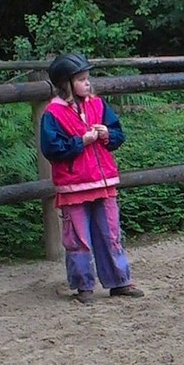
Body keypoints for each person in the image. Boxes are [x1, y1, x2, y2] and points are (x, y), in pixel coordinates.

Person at [40, 53, 144, 304]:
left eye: (88, 78)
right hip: (74, 185)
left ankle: (120, 281)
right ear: (66, 83)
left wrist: (107, 133)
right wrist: (81, 142)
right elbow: (51, 148)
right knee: (78, 239)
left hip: (104, 182)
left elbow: (118, 134)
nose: (88, 83)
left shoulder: (98, 104)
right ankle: (83, 286)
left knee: (110, 233)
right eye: (82, 79)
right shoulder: (52, 113)